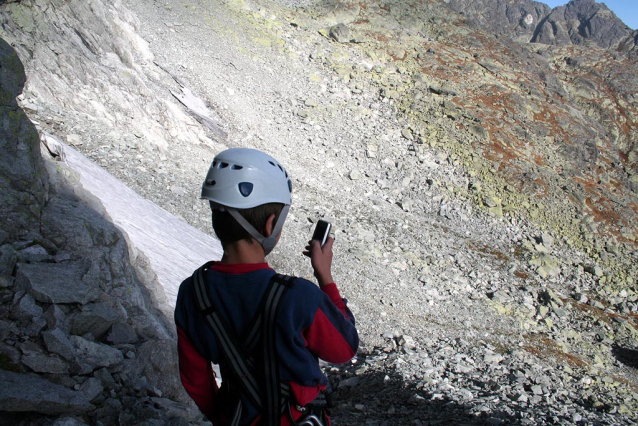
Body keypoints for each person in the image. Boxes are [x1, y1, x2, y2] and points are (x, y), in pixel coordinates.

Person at [174, 148, 359, 425]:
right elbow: (344, 349)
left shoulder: (192, 292)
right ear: (271, 225)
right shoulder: (299, 296)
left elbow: (195, 379)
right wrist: (326, 278)